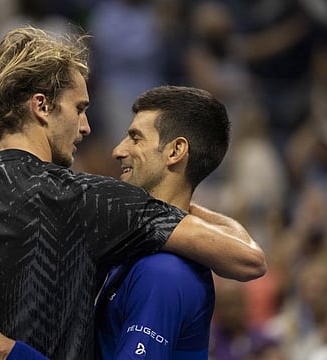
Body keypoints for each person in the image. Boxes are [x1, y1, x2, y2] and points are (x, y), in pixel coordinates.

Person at [0, 26, 265, 360]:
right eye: (79, 108)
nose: (86, 127)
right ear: (41, 106)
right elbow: (247, 259)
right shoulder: (91, 200)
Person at [95, 85, 227, 359]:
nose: (118, 151)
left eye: (135, 138)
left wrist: (11, 353)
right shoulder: (139, 251)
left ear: (175, 150)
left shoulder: (163, 273)